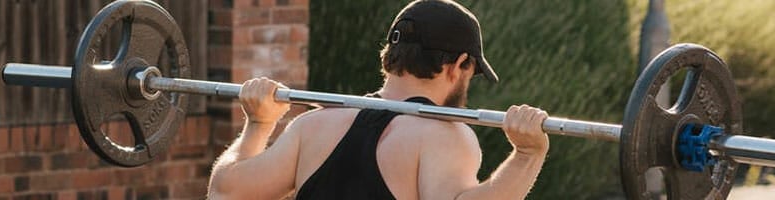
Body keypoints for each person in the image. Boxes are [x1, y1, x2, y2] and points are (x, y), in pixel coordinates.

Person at [208, 0, 550, 199]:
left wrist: (259, 123)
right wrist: (527, 155)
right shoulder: (444, 137)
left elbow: (224, 193)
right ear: (460, 64)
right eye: (471, 72)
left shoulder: (312, 126)